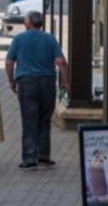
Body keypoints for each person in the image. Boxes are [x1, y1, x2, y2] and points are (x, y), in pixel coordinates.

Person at [6, 11, 70, 170]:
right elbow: (61, 61)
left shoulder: (19, 39)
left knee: (29, 121)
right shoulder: (49, 38)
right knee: (44, 119)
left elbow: (9, 62)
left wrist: (11, 80)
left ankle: (29, 158)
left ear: (27, 23)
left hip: (26, 83)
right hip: (47, 82)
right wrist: (64, 80)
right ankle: (44, 155)